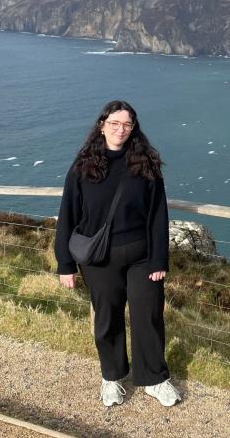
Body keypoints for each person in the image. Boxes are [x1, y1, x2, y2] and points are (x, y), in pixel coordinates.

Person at [55, 100, 181, 407]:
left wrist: (158, 259)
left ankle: (154, 379)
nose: (120, 130)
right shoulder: (83, 165)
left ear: (133, 127)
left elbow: (157, 215)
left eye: (126, 124)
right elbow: (68, 215)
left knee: (148, 316)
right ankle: (112, 378)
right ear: (102, 125)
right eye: (114, 123)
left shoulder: (145, 163)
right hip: (99, 260)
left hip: (142, 258)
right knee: (107, 318)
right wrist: (65, 264)